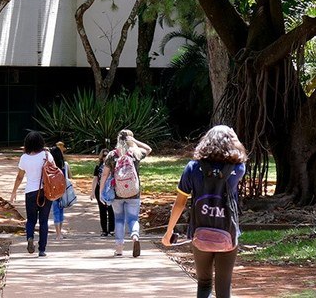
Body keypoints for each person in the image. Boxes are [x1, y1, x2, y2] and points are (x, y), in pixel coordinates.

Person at [161, 125, 247, 298]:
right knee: (224, 289)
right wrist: (233, 136)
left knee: (204, 284)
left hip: (200, 233)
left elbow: (180, 203)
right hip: (228, 234)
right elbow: (240, 153)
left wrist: (169, 232)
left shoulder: (192, 168)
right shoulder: (237, 169)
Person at [99, 129, 152, 257]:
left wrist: (101, 192)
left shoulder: (112, 154)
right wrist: (134, 141)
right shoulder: (135, 153)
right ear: (130, 139)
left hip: (117, 192)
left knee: (119, 220)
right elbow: (149, 149)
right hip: (134, 192)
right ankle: (135, 236)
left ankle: (119, 249)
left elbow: (105, 174)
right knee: (133, 218)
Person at [10, 131, 54, 257]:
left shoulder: (24, 158)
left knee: (31, 220)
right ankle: (42, 249)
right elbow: (54, 171)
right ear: (41, 142)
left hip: (30, 192)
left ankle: (30, 237)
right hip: (45, 192)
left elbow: (19, 177)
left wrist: (14, 192)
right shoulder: (46, 155)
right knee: (44, 221)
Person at [90, 148, 114, 236]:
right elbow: (95, 179)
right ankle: (104, 230)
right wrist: (92, 191)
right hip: (100, 189)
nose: (105, 157)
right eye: (104, 156)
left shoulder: (113, 166)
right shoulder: (98, 167)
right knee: (102, 210)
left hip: (110, 190)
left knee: (111, 210)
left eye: (107, 155)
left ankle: (111, 229)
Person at [49, 144, 70, 240]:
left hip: (54, 190)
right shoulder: (64, 165)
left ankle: (58, 234)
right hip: (63, 189)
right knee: (61, 210)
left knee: (56, 211)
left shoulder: (51, 166)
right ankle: (60, 232)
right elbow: (68, 177)